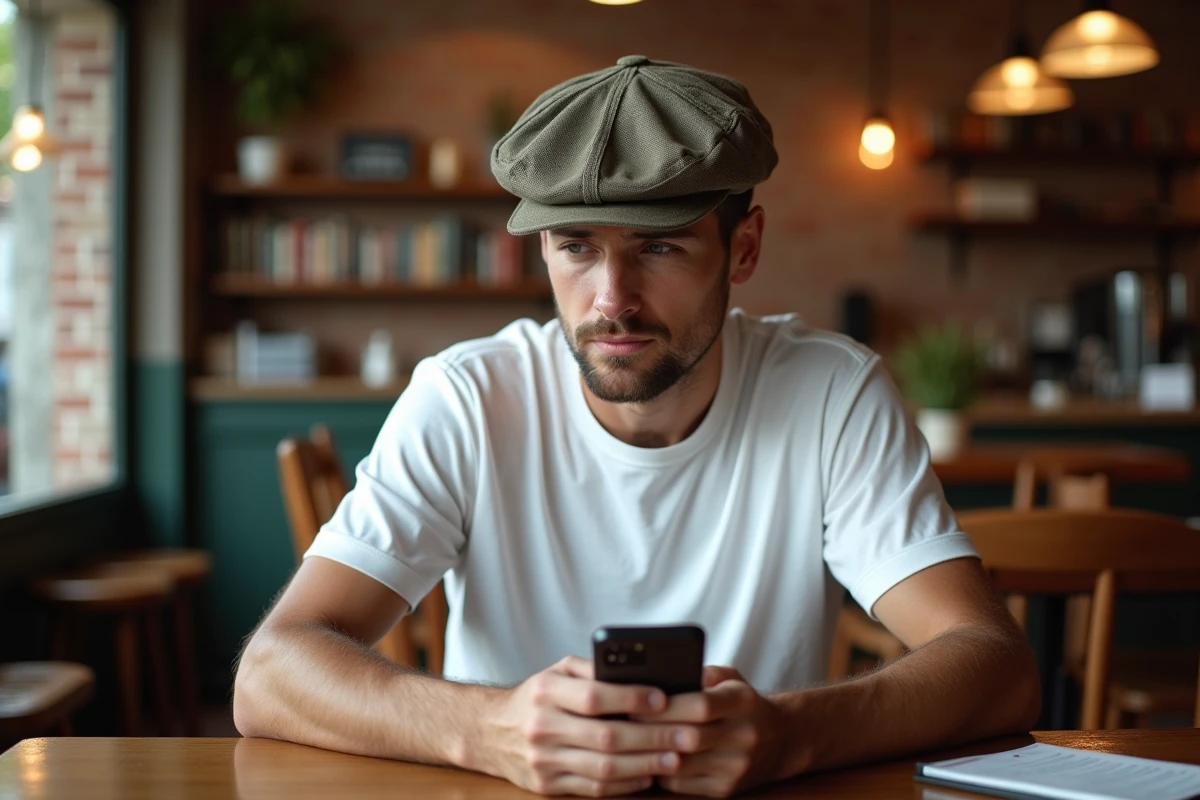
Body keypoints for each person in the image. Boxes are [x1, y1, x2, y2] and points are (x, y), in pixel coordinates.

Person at [233, 55, 1040, 798]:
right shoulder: (468, 398)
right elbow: (270, 673)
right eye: (576, 247)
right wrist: (486, 731)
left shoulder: (831, 391)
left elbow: (995, 666)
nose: (611, 298)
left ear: (744, 248)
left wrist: (792, 734)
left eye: (659, 248)